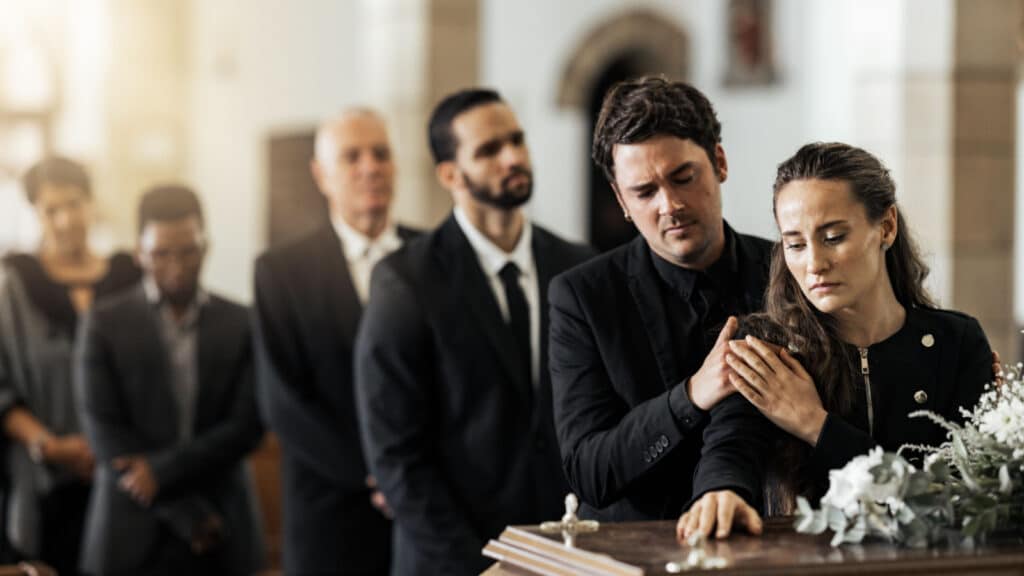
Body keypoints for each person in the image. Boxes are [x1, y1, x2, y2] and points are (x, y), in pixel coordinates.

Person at [679, 142, 995, 541]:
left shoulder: (958, 343)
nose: (814, 263)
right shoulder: (764, 343)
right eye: (795, 244)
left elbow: (959, 498)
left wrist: (815, 424)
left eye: (832, 237)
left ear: (886, 227)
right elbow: (728, 446)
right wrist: (718, 492)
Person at [355, 88, 594, 574]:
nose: (513, 157)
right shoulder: (406, 280)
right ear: (449, 174)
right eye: (488, 150)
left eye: (517, 140)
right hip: (453, 558)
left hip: (564, 549)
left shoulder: (577, 267)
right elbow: (397, 456)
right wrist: (476, 565)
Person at [548, 76, 773, 525]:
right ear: (620, 200)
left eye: (683, 178)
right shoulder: (581, 297)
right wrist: (692, 396)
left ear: (720, 162)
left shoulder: (784, 271)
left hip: (767, 540)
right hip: (634, 556)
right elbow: (589, 472)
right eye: (644, 192)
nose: (669, 204)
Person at [252, 108, 419, 575]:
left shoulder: (435, 257)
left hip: (425, 509)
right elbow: (282, 400)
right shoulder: (281, 271)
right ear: (321, 175)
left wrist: (411, 476)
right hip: (329, 511)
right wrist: (377, 473)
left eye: (381, 154)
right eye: (352, 157)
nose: (371, 167)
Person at [75, 185, 264, 575]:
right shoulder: (104, 323)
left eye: (188, 251)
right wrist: (184, 512)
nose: (176, 265)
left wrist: (160, 473)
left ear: (205, 247)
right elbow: (104, 431)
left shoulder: (241, 322)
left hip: (222, 522)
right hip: (130, 529)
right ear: (140, 253)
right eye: (161, 254)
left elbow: (247, 427)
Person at [0, 156, 140, 574]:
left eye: (74, 204)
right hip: (46, 481)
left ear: (91, 203)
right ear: (36, 213)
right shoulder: (13, 285)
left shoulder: (129, 278)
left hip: (126, 475)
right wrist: (49, 445)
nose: (65, 220)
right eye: (51, 209)